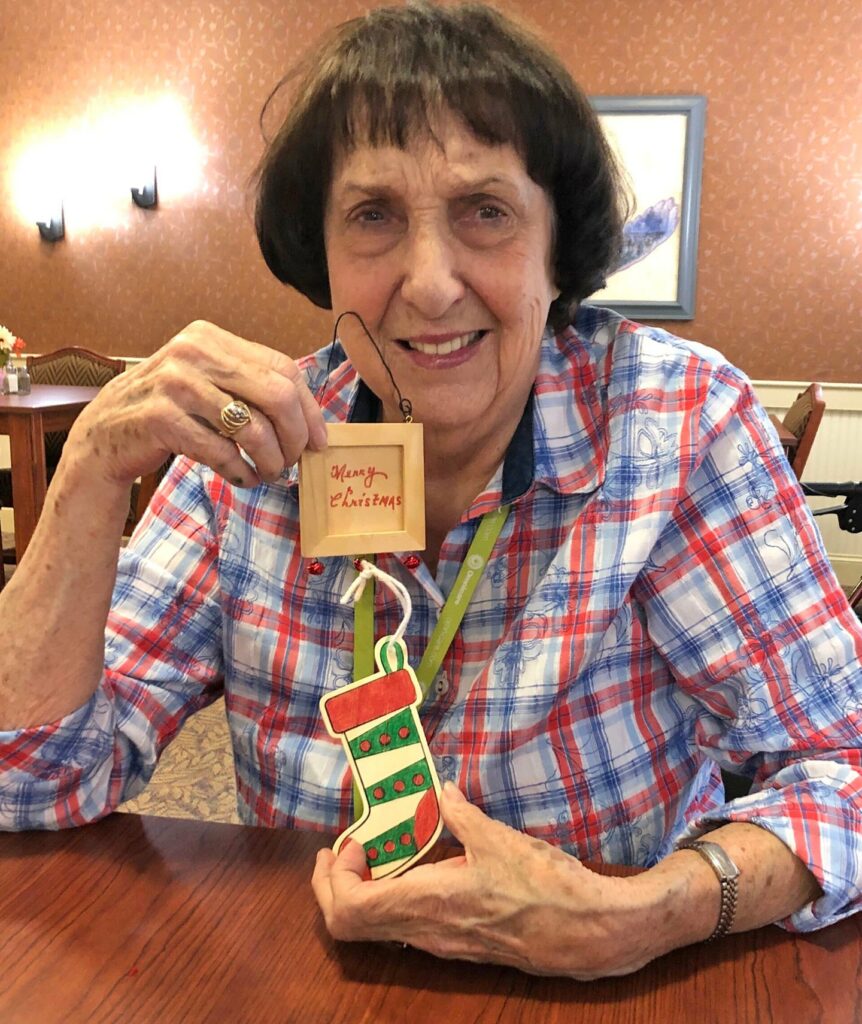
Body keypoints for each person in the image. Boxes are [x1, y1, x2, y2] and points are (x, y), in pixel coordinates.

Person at [1, 1, 860, 980]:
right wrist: (85, 472)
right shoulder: (252, 450)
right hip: (319, 984)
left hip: (608, 994)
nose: (430, 281)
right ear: (317, 249)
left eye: (484, 212)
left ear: (556, 246)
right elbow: (27, 782)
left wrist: (648, 910)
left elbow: (845, 769)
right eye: (373, 216)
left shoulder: (674, 425)